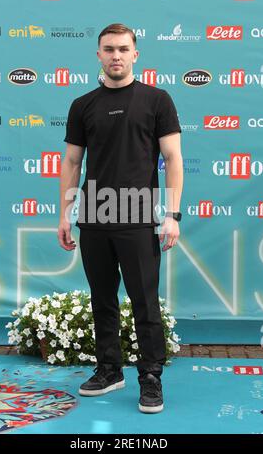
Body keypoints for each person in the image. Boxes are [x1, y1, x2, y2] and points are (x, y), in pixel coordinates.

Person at [58, 23, 183, 414]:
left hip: (140, 215)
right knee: (102, 298)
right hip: (94, 215)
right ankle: (109, 369)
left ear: (135, 54)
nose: (116, 55)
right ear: (98, 54)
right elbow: (73, 161)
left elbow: (173, 159)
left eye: (123, 49)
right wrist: (65, 212)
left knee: (144, 300)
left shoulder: (157, 100)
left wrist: (173, 214)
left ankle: (150, 377)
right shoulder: (82, 105)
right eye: (109, 49)